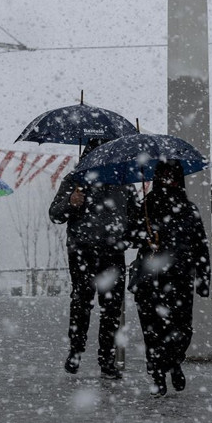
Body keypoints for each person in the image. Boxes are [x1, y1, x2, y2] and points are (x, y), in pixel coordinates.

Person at [49, 138, 141, 380]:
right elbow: (56, 215)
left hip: (112, 253)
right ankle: (76, 351)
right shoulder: (74, 181)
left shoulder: (123, 184)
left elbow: (135, 220)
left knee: (111, 308)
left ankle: (107, 359)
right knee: (81, 302)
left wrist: (129, 237)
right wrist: (71, 203)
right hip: (82, 250)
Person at [130, 160, 211, 396]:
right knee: (152, 329)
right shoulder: (147, 205)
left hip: (180, 278)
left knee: (182, 328)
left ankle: (174, 361)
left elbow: (200, 245)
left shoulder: (188, 209)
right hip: (149, 278)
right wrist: (144, 236)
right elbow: (131, 236)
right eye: (163, 175)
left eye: (172, 176)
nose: (168, 181)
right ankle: (156, 372)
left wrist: (203, 279)